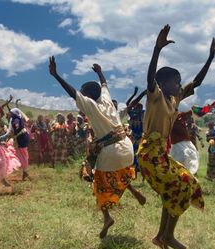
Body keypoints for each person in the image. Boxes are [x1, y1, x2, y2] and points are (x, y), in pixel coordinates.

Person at [49, 57, 145, 239]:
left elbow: (73, 93)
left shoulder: (91, 105)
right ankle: (132, 189)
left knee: (97, 182)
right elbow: (104, 85)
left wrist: (56, 75)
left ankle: (107, 217)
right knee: (119, 171)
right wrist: (100, 71)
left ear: (88, 95)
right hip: (127, 148)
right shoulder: (108, 101)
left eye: (84, 93)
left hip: (111, 151)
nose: (82, 96)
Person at [138, 25, 213, 249]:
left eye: (180, 81)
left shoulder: (175, 97)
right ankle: (166, 235)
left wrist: (210, 58)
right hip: (149, 154)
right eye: (176, 81)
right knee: (181, 184)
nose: (180, 84)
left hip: (160, 153)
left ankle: (162, 236)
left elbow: (197, 82)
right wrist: (156, 50)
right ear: (163, 84)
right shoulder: (155, 96)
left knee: (182, 185)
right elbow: (150, 77)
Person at [0, 108, 31, 181]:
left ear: (13, 114)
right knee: (23, 154)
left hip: (21, 138)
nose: (8, 114)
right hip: (22, 137)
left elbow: (10, 132)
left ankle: (24, 171)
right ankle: (25, 171)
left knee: (22, 154)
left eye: (10, 113)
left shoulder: (15, 120)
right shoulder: (14, 119)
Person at [169, 111, 200, 175]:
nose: (187, 119)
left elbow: (187, 114)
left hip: (184, 143)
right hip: (176, 145)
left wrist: (192, 111)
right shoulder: (172, 123)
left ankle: (186, 174)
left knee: (189, 157)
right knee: (181, 158)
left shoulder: (181, 122)